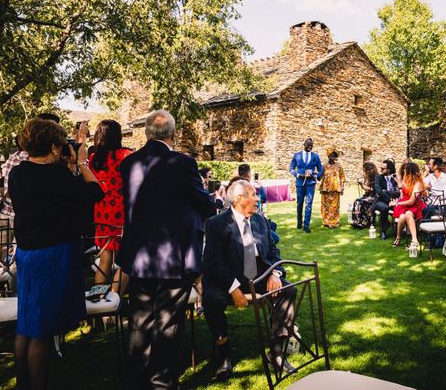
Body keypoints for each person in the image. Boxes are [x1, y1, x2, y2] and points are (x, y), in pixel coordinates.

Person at [117, 110, 215, 389]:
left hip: (140, 255)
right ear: (172, 134)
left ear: (147, 133)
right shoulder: (182, 163)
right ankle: (161, 382)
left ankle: (136, 380)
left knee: (139, 319)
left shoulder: (129, 163)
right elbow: (204, 203)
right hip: (172, 255)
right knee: (167, 323)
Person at [9, 118, 103, 390]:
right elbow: (95, 192)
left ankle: (22, 383)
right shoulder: (55, 176)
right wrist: (82, 163)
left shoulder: (18, 173)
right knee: (42, 330)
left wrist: (67, 164)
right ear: (53, 147)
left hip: (27, 254)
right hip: (51, 255)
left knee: (27, 323)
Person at [202, 180, 297, 381]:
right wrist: (233, 288)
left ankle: (277, 351)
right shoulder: (215, 224)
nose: (257, 198)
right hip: (227, 279)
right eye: (253, 194)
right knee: (211, 299)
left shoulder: (260, 220)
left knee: (289, 290)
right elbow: (214, 262)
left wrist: (274, 273)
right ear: (239, 199)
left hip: (259, 276)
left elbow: (273, 251)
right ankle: (224, 355)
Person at [88, 120, 132, 290]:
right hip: (121, 209)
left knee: (105, 258)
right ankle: (114, 298)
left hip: (101, 209)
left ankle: (100, 300)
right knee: (126, 260)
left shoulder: (94, 159)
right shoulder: (125, 155)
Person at [289, 138, 323, 233]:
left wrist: (316, 175)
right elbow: (291, 168)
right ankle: (299, 223)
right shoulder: (297, 155)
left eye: (311, 146)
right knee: (300, 203)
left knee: (308, 204)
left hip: (311, 183)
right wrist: (298, 174)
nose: (310, 148)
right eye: (308, 145)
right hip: (300, 183)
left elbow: (320, 170)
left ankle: (306, 225)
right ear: (304, 144)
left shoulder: (315, 156)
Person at [390, 162, 426, 249]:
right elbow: (403, 192)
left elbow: (411, 201)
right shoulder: (406, 181)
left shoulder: (417, 184)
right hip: (404, 205)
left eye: (406, 170)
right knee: (402, 216)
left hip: (414, 205)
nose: (404, 172)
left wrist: (397, 203)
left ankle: (414, 240)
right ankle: (398, 238)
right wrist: (399, 181)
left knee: (407, 215)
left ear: (410, 172)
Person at [374, 160, 400, 240]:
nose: (381, 170)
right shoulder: (378, 177)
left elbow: (398, 192)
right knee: (384, 208)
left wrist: (386, 192)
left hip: (395, 200)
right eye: (381, 168)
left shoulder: (395, 178)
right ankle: (383, 231)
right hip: (380, 201)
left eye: (383, 168)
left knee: (400, 207)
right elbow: (378, 191)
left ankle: (399, 230)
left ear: (389, 169)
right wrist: (389, 200)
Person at [319, 149, 346, 228]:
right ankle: (326, 222)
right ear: (328, 156)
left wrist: (342, 187)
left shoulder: (339, 166)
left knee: (334, 207)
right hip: (325, 189)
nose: (332, 157)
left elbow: (342, 177)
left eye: (333, 156)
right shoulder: (324, 166)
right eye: (330, 156)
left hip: (335, 189)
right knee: (325, 206)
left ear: (335, 157)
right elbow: (320, 176)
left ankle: (334, 222)